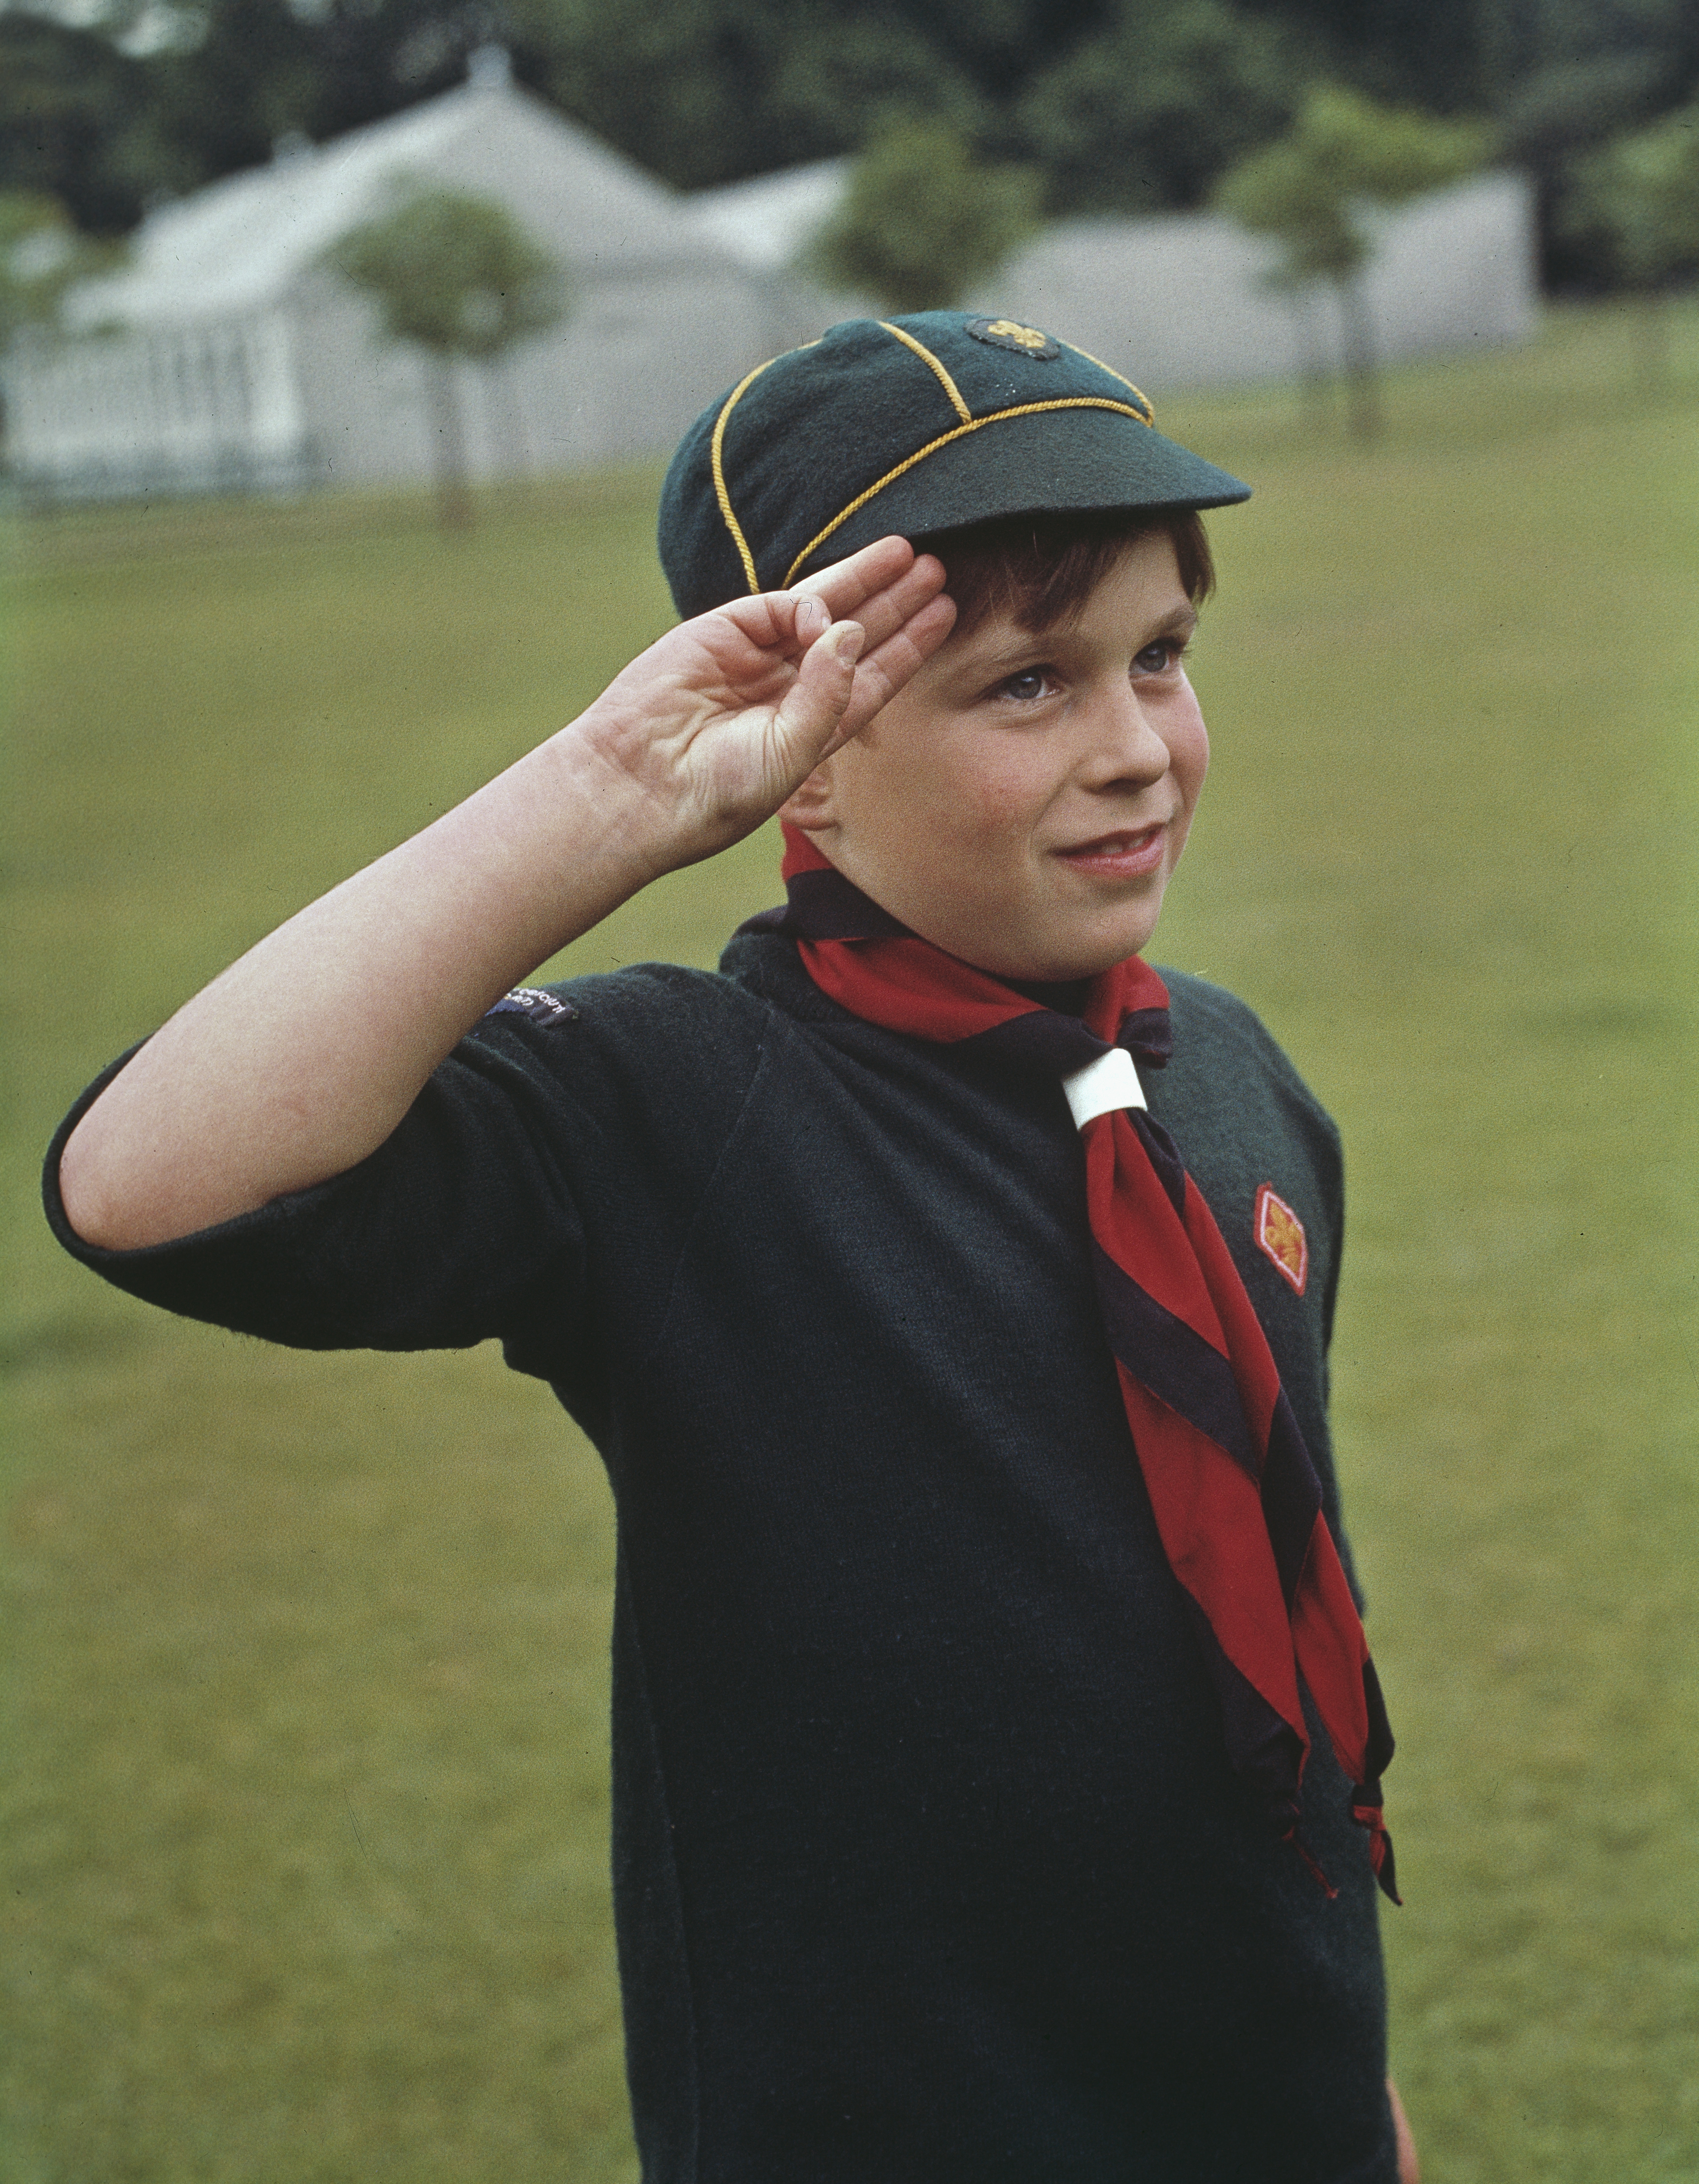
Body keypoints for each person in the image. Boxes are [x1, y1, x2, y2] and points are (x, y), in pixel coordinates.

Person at [46, 311, 1418, 2183]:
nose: (1134, 750)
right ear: (810, 762)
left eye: (1159, 657)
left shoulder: (1235, 1081)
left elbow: (1267, 1622)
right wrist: (609, 798)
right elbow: (147, 1184)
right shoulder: (679, 1108)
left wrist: (1353, 2094)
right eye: (1027, 683)